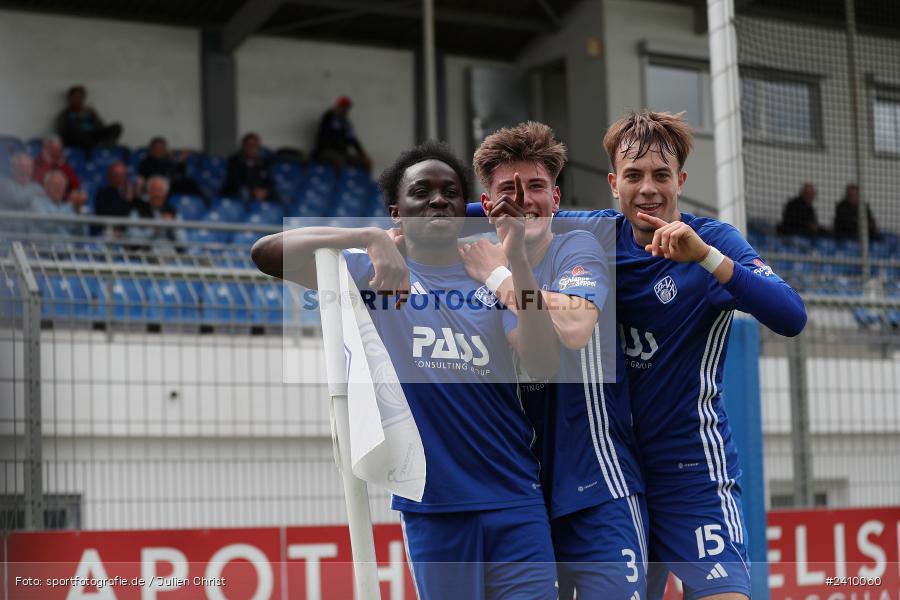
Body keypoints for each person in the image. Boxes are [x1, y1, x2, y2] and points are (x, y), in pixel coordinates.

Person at [468, 110, 807, 600]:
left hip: (690, 471)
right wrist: (423, 223)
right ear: (613, 183)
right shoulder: (597, 233)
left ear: (681, 181)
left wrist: (707, 260)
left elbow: (791, 316)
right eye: (634, 176)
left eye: (661, 175)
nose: (647, 189)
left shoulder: (713, 242)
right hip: (616, 476)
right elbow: (519, 206)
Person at [252, 140, 560, 599]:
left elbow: (543, 362)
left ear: (463, 206)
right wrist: (367, 237)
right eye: (422, 191)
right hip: (433, 506)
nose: (438, 199)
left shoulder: (486, 268)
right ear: (396, 210)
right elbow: (266, 252)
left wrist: (514, 262)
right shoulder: (372, 272)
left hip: (515, 497)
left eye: (451, 191)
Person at [463, 122, 647, 599]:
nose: (524, 200)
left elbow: (575, 326)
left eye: (537, 187)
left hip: (597, 488)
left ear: (557, 198)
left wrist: (501, 276)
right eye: (508, 189)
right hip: (520, 499)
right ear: (487, 205)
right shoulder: (467, 260)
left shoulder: (577, 246)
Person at [55, 85, 123, 153]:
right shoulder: (65, 114)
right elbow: (64, 133)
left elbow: (100, 128)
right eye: (75, 97)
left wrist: (94, 116)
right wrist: (77, 119)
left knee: (117, 126)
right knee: (77, 132)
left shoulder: (89, 113)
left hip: (93, 137)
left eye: (80, 97)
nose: (78, 99)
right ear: (70, 98)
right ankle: (96, 150)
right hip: (78, 140)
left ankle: (105, 146)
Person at [312, 96, 372, 172]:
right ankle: (339, 183)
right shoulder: (329, 117)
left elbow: (353, 139)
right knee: (340, 161)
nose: (345, 110)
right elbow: (329, 135)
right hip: (326, 151)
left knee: (367, 162)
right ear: (338, 106)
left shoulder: (346, 123)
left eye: (347, 108)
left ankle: (362, 183)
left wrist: (363, 154)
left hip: (342, 153)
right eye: (343, 107)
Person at [137, 136, 204, 198]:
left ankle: (202, 201)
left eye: (161, 148)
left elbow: (178, 172)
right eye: (157, 148)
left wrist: (182, 162)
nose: (160, 150)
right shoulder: (146, 162)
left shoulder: (166, 160)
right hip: (156, 186)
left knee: (189, 182)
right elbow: (152, 175)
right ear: (152, 149)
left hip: (170, 184)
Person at [31, 170, 87, 236]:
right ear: (46, 187)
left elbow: (82, 234)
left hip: (66, 246)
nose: (58, 188)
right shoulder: (37, 203)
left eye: (61, 185)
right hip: (43, 246)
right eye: (55, 185)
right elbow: (47, 224)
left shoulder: (71, 207)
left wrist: (78, 210)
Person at [221, 132, 274, 201]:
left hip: (260, 193)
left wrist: (266, 191)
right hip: (240, 191)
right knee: (244, 193)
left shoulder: (263, 163)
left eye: (255, 145)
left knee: (275, 194)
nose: (252, 148)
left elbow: (269, 181)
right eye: (249, 145)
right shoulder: (235, 161)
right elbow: (235, 181)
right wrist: (252, 190)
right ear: (244, 146)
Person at [128, 176, 180, 243]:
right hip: (146, 252)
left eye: (160, 190)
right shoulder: (137, 211)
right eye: (154, 190)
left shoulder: (173, 212)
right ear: (148, 192)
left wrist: (172, 228)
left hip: (169, 252)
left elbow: (183, 241)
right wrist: (154, 229)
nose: (157, 194)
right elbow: (132, 239)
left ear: (165, 194)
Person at [93, 161, 137, 237]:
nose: (120, 178)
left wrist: (129, 199)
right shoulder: (102, 193)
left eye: (123, 175)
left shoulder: (132, 196)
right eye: (116, 175)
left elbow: (134, 215)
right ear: (109, 176)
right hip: (106, 231)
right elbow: (103, 213)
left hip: (127, 233)